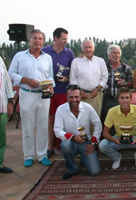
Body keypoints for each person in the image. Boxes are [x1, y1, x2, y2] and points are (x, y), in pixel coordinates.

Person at [8, 29, 54, 167]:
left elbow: (50, 76)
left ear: (43, 41)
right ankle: (28, 155)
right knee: (27, 127)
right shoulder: (20, 56)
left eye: (40, 39)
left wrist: (51, 85)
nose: (37, 41)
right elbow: (11, 73)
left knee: (43, 127)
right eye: (35, 38)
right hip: (27, 93)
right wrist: (25, 80)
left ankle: (42, 155)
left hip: (44, 96)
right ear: (29, 40)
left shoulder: (47, 57)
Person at [54, 85, 101, 179]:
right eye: (71, 97)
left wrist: (93, 143)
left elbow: (98, 124)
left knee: (94, 172)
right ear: (66, 97)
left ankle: (83, 160)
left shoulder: (88, 107)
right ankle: (72, 169)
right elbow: (57, 130)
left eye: (76, 97)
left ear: (80, 97)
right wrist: (73, 137)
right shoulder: (60, 109)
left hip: (86, 143)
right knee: (66, 145)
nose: (74, 100)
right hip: (70, 142)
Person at [99, 87, 136, 169]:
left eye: (127, 98)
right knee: (102, 145)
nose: (124, 100)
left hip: (135, 139)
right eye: (122, 98)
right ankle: (116, 157)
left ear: (131, 99)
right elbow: (105, 133)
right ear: (118, 99)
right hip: (118, 140)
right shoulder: (111, 111)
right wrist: (115, 140)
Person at [42, 28, 75, 158]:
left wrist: (67, 79)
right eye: (63, 38)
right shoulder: (44, 51)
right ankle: (50, 147)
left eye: (67, 38)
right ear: (55, 38)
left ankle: (64, 145)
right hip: (48, 91)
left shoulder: (69, 53)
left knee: (65, 119)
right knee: (50, 119)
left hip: (63, 92)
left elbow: (73, 70)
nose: (66, 41)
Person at [69, 39, 108, 117]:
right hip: (81, 96)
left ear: (93, 48)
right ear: (82, 49)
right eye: (85, 47)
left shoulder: (100, 61)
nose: (88, 49)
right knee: (82, 119)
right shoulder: (76, 62)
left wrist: (97, 88)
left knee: (95, 119)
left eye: (90, 47)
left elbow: (105, 77)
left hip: (96, 95)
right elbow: (72, 79)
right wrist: (79, 92)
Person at [101, 45, 133, 134]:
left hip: (121, 100)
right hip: (107, 99)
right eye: (114, 53)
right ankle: (107, 140)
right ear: (109, 54)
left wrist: (125, 83)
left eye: (118, 53)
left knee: (120, 122)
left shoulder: (126, 68)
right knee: (107, 121)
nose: (116, 55)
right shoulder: (103, 67)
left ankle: (121, 139)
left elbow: (132, 83)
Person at [0, 57, 15, 173]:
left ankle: (0, 163)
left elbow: (6, 80)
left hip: (1, 106)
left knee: (1, 138)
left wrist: (10, 101)